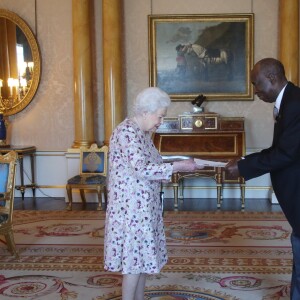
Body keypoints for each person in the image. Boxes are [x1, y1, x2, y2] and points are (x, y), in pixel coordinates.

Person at [104, 87, 204, 300]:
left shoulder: (143, 134)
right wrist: (179, 167)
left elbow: (155, 163)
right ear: (145, 111)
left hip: (143, 207)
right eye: (160, 116)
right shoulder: (127, 132)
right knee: (132, 262)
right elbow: (141, 168)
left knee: (139, 260)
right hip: (130, 209)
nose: (160, 121)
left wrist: (185, 164)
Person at [225, 58, 300, 299]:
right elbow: (279, 148)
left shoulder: (296, 103)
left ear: (272, 79)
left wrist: (244, 168)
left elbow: (287, 153)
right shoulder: (288, 101)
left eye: (257, 84)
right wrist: (244, 163)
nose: (255, 90)